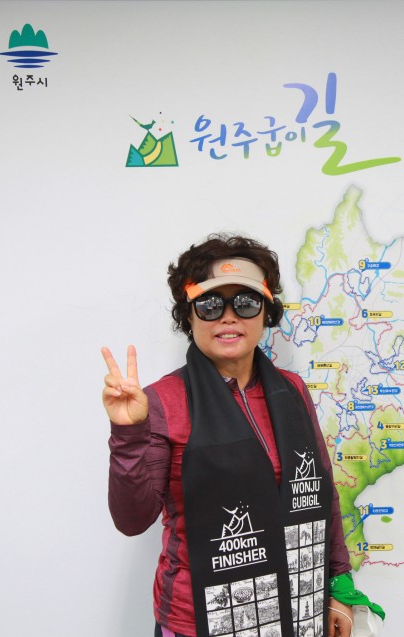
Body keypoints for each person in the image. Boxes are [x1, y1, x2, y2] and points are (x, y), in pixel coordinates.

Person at [102, 234, 355, 637]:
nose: (229, 316)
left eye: (246, 302)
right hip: (195, 622)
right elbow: (132, 520)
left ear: (265, 312)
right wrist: (129, 433)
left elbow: (323, 494)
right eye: (210, 304)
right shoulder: (162, 401)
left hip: (296, 613)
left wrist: (338, 585)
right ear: (188, 315)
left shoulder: (292, 391)